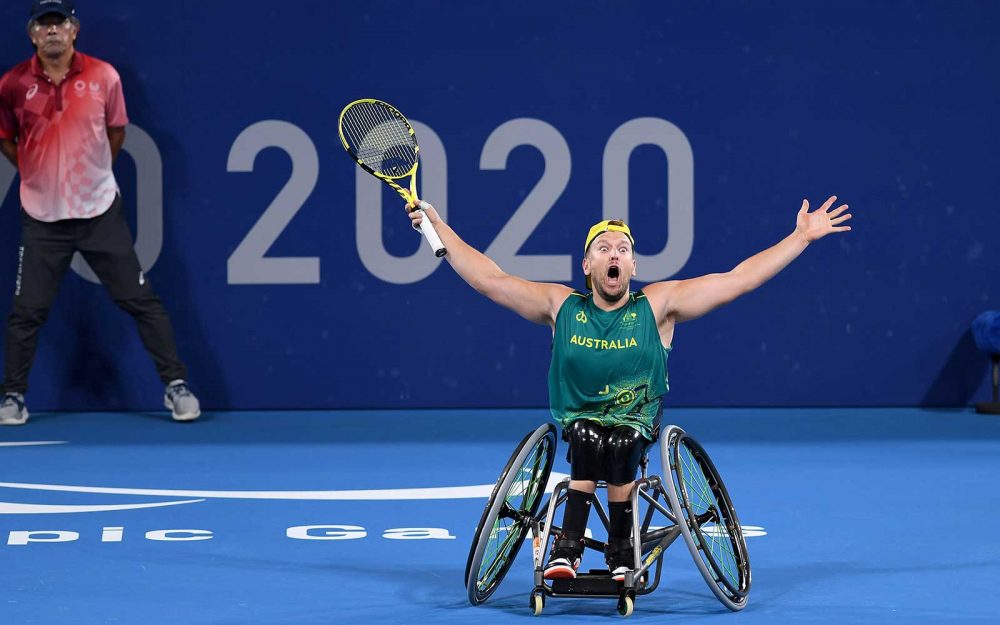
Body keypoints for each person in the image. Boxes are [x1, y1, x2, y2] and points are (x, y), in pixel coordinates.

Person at [407, 195, 851, 581]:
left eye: (623, 249)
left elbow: (736, 280)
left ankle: (621, 548)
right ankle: (568, 547)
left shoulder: (658, 305)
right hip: (579, 417)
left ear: (632, 266)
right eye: (603, 248)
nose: (613, 254)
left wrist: (800, 239)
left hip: (636, 419)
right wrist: (435, 225)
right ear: (588, 265)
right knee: (584, 435)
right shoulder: (560, 306)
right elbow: (491, 279)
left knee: (619, 443)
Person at [0, 0, 200, 426]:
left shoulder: (103, 76)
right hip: (42, 218)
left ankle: (176, 386)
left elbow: (116, 131)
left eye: (60, 23)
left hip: (98, 213)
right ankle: (13, 396)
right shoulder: (13, 84)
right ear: (32, 34)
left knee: (141, 300)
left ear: (74, 30)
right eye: (43, 25)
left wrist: (90, 175)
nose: (52, 31)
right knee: (26, 313)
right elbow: (6, 137)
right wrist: (37, 172)